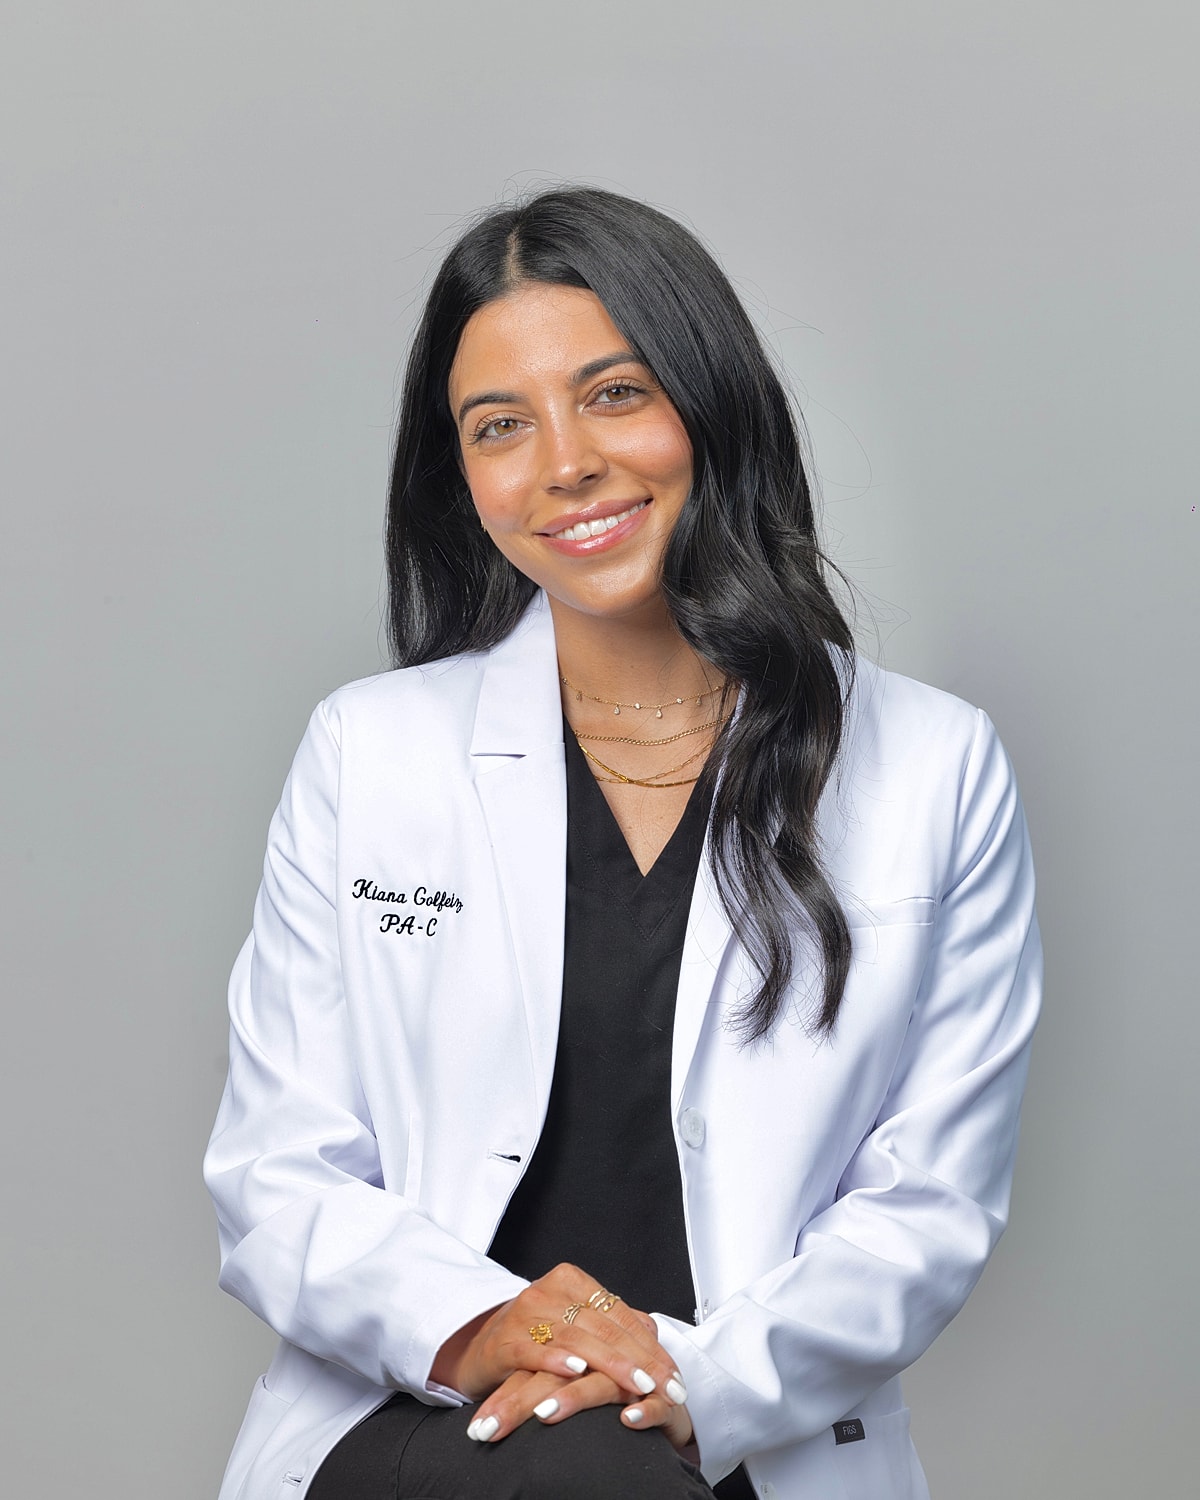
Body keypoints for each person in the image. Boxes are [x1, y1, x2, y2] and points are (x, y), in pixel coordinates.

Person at [204, 186, 1042, 1500]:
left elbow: (926, 1211)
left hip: (741, 1433)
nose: (564, 464)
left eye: (614, 394)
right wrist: (493, 1331)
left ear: (711, 406)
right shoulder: (370, 753)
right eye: (499, 427)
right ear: (462, 474)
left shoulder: (936, 767)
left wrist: (682, 1383)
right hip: (431, 1415)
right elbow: (275, 1174)